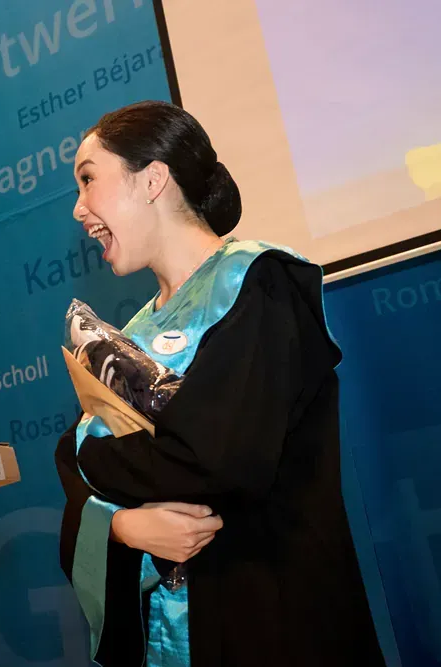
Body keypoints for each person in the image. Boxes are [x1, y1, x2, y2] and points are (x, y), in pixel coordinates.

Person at [56, 100, 386, 667]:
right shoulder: (130, 337)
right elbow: (79, 472)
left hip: (272, 619)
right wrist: (124, 526)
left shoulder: (256, 282)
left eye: (89, 179)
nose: (78, 208)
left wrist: (92, 460)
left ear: (152, 179)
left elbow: (218, 458)